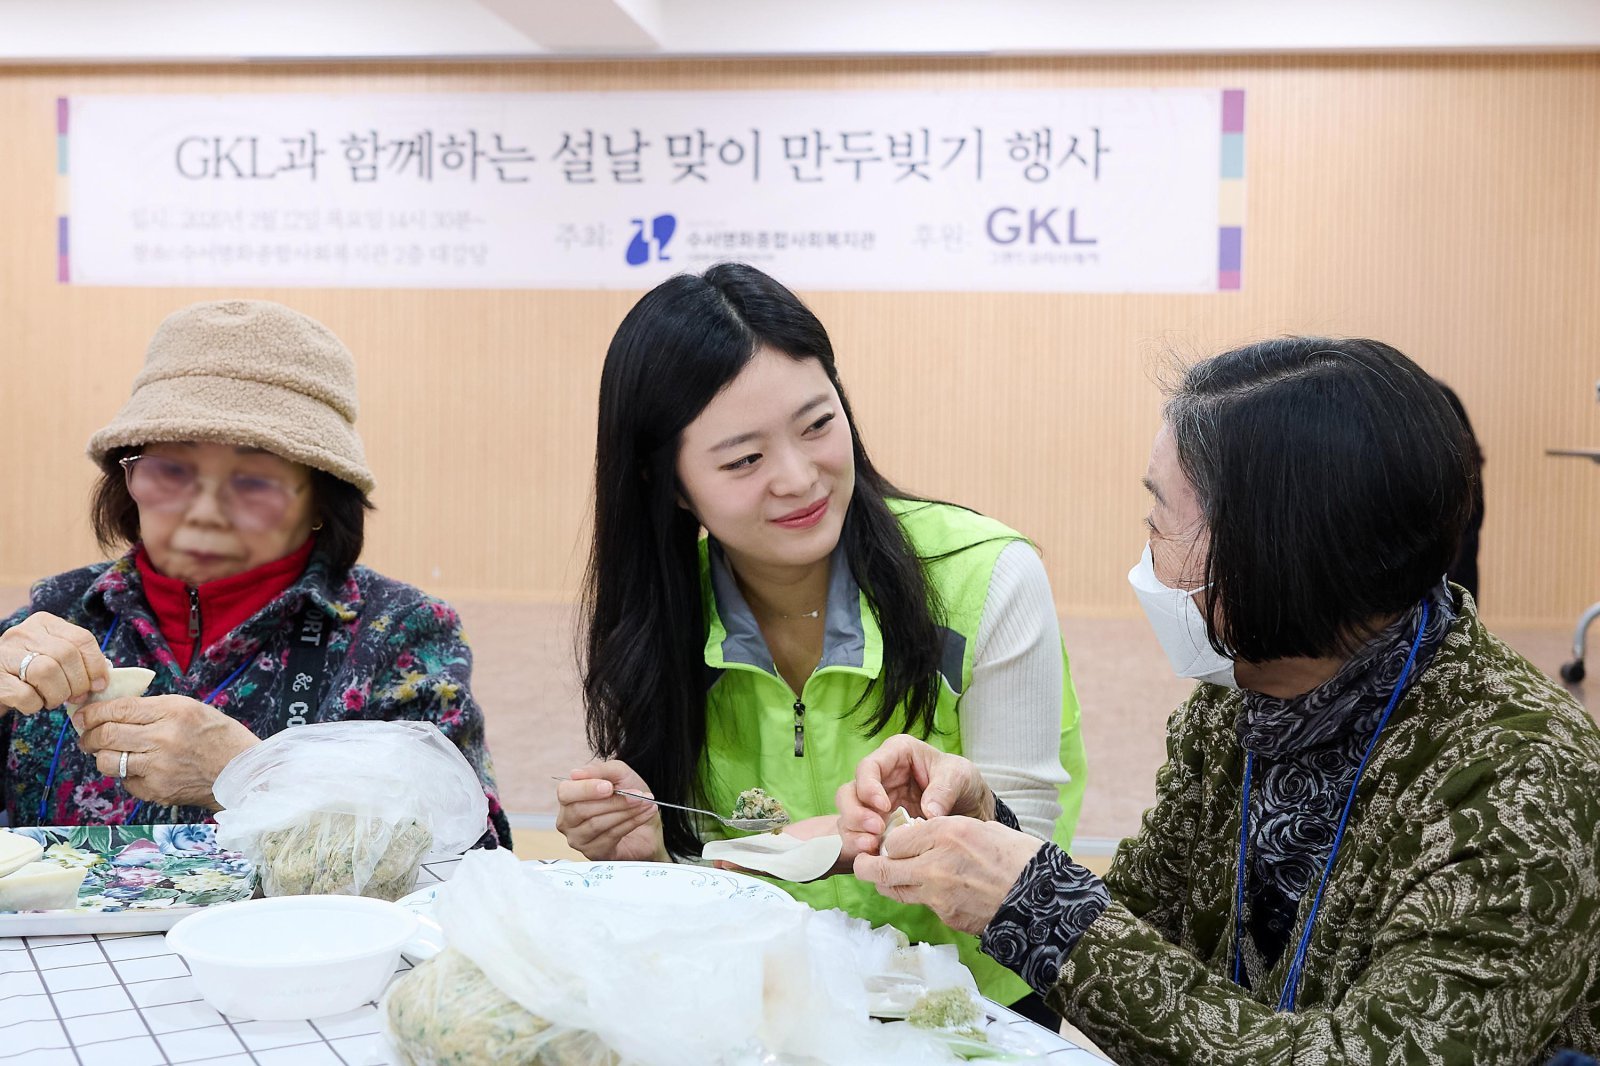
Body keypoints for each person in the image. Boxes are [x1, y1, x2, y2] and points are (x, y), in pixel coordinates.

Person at [846, 337, 1600, 1062]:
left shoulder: (1526, 785)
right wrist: (989, 836)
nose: (1145, 546)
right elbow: (1147, 929)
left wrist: (1040, 905)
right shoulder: (1247, 691)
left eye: (1161, 516)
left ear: (1277, 551)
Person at [555, 262, 1086, 1014]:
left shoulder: (986, 578)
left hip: (968, 1012)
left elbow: (1028, 855)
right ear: (670, 484)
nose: (800, 477)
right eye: (745, 459)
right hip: (760, 1000)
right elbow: (694, 883)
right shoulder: (662, 613)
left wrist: (862, 838)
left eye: (817, 424)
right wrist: (651, 848)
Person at [0, 299, 511, 847]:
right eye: (171, 470)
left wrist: (253, 773)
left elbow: (475, 850)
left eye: (254, 481)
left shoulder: (396, 633)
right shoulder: (60, 612)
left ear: (320, 501)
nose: (204, 511)